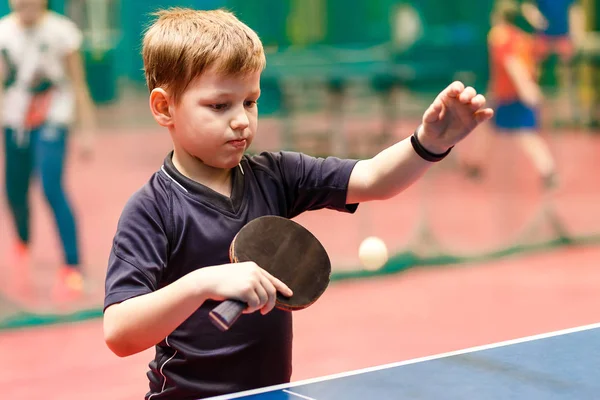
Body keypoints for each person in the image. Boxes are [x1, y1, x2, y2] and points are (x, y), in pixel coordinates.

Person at [102, 8, 493, 400]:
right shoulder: (152, 209)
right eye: (220, 106)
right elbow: (119, 332)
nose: (241, 120)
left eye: (250, 102)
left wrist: (430, 143)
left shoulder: (276, 175)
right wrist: (203, 283)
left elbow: (374, 179)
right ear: (164, 107)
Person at [0, 0, 96, 299]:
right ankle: (23, 243)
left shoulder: (62, 32)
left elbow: (79, 85)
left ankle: (72, 264)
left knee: (51, 185)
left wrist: (86, 130)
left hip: (52, 119)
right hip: (14, 121)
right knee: (14, 190)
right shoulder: (4, 33)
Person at [462, 0, 557, 189]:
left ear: (498, 17)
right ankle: (477, 164)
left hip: (513, 95)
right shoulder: (521, 38)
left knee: (525, 134)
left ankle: (548, 170)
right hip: (502, 94)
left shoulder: (501, 36)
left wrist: (526, 89)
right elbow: (538, 54)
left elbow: (513, 64)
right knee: (488, 129)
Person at [521, 0, 585, 125]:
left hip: (563, 36)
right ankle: (535, 111)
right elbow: (527, 6)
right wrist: (535, 18)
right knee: (534, 72)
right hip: (543, 36)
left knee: (567, 74)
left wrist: (577, 34)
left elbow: (576, 10)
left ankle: (569, 113)